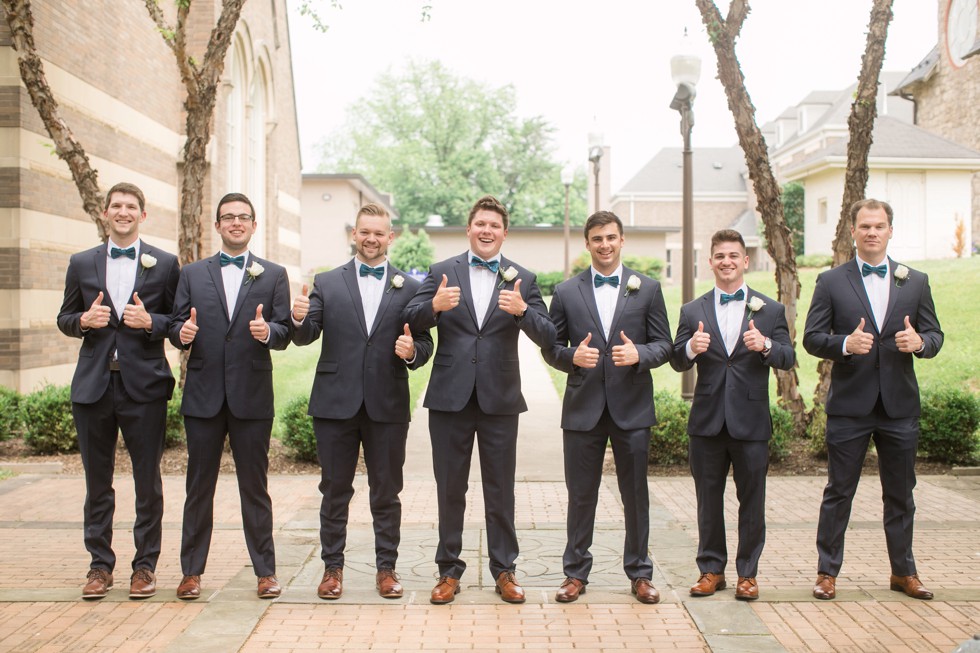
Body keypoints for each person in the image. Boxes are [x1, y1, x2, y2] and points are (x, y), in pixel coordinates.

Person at [403, 195, 556, 605]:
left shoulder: (522, 276)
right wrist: (433, 307)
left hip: (500, 400)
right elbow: (409, 317)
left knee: (500, 489)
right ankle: (448, 571)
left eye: (494, 225)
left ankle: (504, 570)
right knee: (450, 488)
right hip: (449, 398)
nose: (486, 231)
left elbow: (550, 335)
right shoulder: (441, 272)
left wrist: (523, 310)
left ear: (504, 233)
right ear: (468, 229)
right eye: (479, 224)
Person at [803, 198, 943, 601]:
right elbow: (813, 338)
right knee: (838, 492)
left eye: (879, 226)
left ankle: (904, 572)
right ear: (853, 232)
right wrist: (844, 343)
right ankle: (827, 572)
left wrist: (919, 343)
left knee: (900, 493)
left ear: (890, 231)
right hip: (850, 405)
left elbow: (935, 336)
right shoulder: (831, 282)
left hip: (899, 407)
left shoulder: (914, 281)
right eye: (864, 226)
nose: (872, 232)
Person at [291, 203, 433, 600]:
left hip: (387, 403)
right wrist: (299, 318)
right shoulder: (327, 282)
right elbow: (306, 335)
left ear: (391, 237)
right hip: (335, 403)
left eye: (379, 232)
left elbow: (424, 342)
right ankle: (332, 569)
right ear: (354, 234)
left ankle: (386, 569)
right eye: (364, 231)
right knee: (334, 489)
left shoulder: (411, 286)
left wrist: (410, 352)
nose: (371, 238)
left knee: (386, 492)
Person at [542, 210, 673, 604]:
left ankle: (640, 573)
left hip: (631, 408)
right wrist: (570, 359)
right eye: (597, 238)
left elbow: (665, 344)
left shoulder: (647, 289)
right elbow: (551, 346)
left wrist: (640, 354)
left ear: (621, 240)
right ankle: (575, 573)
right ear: (587, 243)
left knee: (635, 494)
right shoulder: (566, 292)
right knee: (581, 494)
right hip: (583, 409)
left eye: (611, 237)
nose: (604, 244)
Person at [57, 182, 180, 600]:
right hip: (94, 386)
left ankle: (145, 566)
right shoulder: (81, 262)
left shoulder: (165, 264)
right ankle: (99, 566)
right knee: (98, 482)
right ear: (105, 213)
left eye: (131, 206)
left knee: (148, 481)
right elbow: (65, 316)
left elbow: (177, 323)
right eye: (116, 206)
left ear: (142, 215)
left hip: (143, 385)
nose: (123, 212)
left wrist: (151, 324)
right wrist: (82, 322)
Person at [168, 192, 292, 600]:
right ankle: (191, 573)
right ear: (218, 225)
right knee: (198, 488)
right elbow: (175, 324)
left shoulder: (273, 275)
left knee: (254, 487)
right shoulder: (191, 274)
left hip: (252, 397)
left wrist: (268, 333)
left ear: (254, 226)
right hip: (203, 396)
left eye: (243, 217)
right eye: (228, 217)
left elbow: (284, 332)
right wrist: (181, 335)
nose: (236, 223)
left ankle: (265, 571)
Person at [670, 229, 795, 601]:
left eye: (733, 255)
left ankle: (748, 574)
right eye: (720, 255)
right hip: (707, 422)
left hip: (751, 421)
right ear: (711, 262)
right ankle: (711, 570)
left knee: (752, 501)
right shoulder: (692, 310)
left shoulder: (770, 309)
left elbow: (788, 358)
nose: (727, 261)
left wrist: (766, 345)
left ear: (745, 260)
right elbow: (675, 359)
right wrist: (691, 347)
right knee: (708, 501)